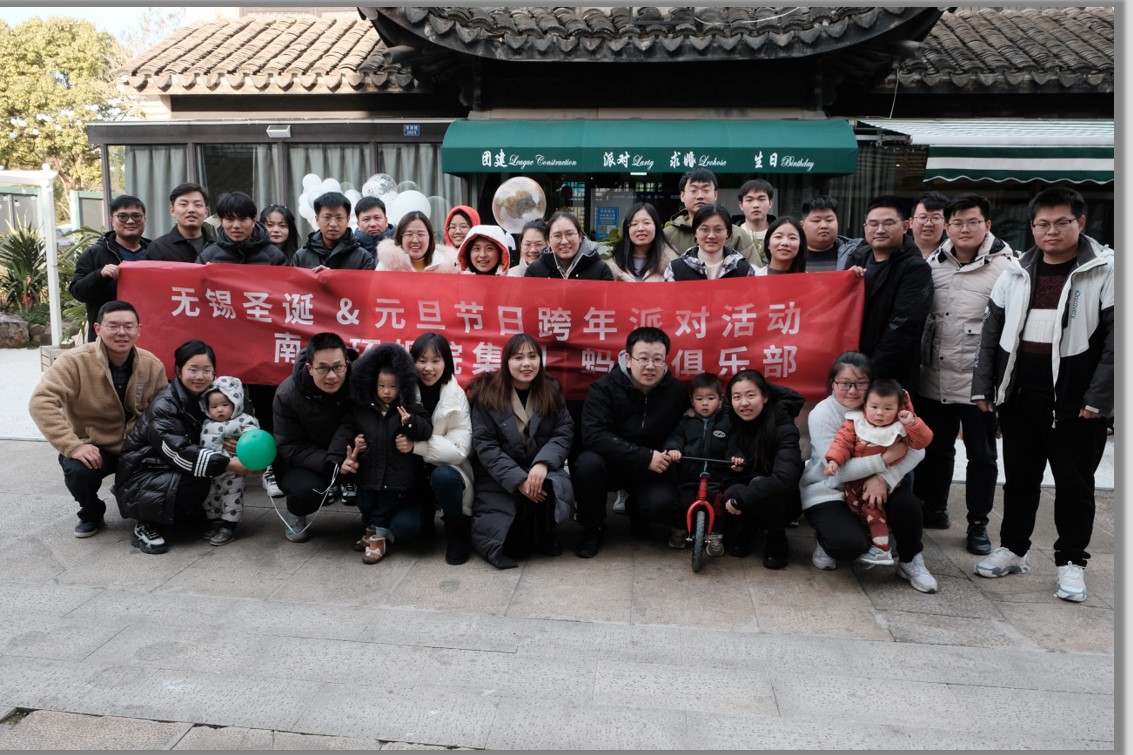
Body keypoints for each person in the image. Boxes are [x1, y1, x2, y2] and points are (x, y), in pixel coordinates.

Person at [971, 187, 1113, 604]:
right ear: (1032, 227)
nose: (1052, 231)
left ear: (1080, 223)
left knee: (1074, 486)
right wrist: (984, 386)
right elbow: (991, 333)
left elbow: (1117, 343)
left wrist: (1099, 398)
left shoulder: (1105, 270)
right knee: (1019, 481)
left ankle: (1072, 562)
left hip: (1076, 403)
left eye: (1062, 222)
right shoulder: (1016, 271)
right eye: (1042, 224)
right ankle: (1014, 550)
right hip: (1020, 397)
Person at [914, 194, 1015, 548]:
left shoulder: (1007, 268)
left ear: (987, 225)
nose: (964, 229)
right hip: (934, 376)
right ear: (947, 227)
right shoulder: (934, 263)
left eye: (973, 222)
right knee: (936, 447)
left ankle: (978, 523)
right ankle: (934, 508)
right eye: (956, 223)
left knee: (982, 456)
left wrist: (997, 382)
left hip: (979, 384)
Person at [799, 352, 938, 593]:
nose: (852, 391)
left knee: (909, 506)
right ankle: (827, 537)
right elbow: (838, 472)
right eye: (845, 383)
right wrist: (884, 460)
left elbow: (918, 450)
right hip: (830, 491)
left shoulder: (884, 406)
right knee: (848, 546)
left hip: (876, 488)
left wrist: (883, 478)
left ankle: (911, 561)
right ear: (833, 383)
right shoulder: (822, 413)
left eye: (861, 383)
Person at [29, 300, 167, 538]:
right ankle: (91, 511)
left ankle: (141, 508)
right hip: (95, 446)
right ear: (98, 329)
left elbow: (164, 410)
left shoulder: (152, 365)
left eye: (128, 326)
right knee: (77, 470)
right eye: (113, 325)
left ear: (138, 330)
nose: (122, 332)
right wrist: (73, 446)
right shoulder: (74, 361)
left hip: (137, 445)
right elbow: (41, 402)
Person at [115, 340, 253, 554]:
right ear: (178, 371)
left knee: (204, 478)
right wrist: (229, 464)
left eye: (207, 370)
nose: (200, 376)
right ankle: (146, 523)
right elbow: (178, 451)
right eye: (193, 369)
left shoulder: (214, 398)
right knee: (197, 483)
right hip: (143, 477)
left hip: (170, 469)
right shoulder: (165, 404)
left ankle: (184, 513)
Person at [573, 327, 689, 558]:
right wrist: (644, 456)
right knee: (587, 465)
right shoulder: (604, 388)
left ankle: (637, 511)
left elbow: (682, 429)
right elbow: (593, 435)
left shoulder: (676, 392)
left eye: (658, 359)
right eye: (643, 358)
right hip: (613, 463)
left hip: (652, 469)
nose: (650, 366)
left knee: (663, 504)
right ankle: (593, 528)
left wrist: (672, 447)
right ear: (628, 359)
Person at [467, 333, 574, 569]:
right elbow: (485, 445)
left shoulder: (550, 391)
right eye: (518, 358)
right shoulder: (487, 394)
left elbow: (563, 431)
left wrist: (543, 464)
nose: (526, 364)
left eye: (532, 356)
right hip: (499, 476)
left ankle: (544, 533)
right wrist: (518, 480)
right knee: (512, 547)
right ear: (506, 361)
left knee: (550, 486)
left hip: (540, 468)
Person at [332, 342, 433, 564]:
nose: (387, 391)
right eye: (382, 386)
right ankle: (370, 531)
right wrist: (343, 453)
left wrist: (410, 423)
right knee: (365, 503)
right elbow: (345, 431)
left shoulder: (408, 408)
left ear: (402, 385)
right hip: (369, 474)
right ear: (372, 384)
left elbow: (427, 429)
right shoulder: (361, 410)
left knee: (383, 509)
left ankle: (379, 539)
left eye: (392, 386)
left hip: (398, 478)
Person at [824, 379, 933, 566]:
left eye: (888, 408)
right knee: (855, 513)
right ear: (865, 405)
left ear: (899, 409)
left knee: (875, 511)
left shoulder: (900, 427)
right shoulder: (855, 422)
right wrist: (833, 460)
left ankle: (884, 549)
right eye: (874, 407)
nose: (880, 413)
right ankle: (852, 541)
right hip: (854, 484)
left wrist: (912, 423)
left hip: (886, 485)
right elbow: (842, 443)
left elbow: (922, 443)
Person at [271, 332, 358, 542]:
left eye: (338, 367)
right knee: (306, 492)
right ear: (310, 368)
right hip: (305, 460)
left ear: (346, 364)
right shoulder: (287, 394)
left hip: (349, 452)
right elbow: (290, 446)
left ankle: (377, 522)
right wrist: (332, 464)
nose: (332, 376)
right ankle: (296, 512)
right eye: (323, 368)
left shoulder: (360, 384)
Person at [842, 195, 934, 390]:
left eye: (888, 223)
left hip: (889, 379)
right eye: (873, 224)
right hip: (850, 370)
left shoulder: (915, 268)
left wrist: (868, 374)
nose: (880, 230)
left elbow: (902, 327)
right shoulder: (857, 258)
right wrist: (845, 283)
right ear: (865, 227)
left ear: (905, 226)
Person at [719, 370, 804, 568]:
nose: (744, 403)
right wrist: (733, 462)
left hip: (783, 502)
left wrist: (742, 499)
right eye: (737, 397)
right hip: (746, 488)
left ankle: (777, 537)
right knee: (731, 491)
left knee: (759, 485)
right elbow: (728, 450)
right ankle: (746, 530)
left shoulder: (784, 427)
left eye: (751, 395)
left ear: (765, 397)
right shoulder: (731, 421)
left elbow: (784, 479)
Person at [406, 332, 474, 565]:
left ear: (446, 362)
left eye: (435, 361)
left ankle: (457, 531)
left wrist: (416, 446)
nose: (428, 368)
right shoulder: (402, 391)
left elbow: (459, 450)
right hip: (412, 474)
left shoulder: (456, 396)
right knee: (408, 531)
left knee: (444, 476)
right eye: (422, 360)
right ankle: (423, 516)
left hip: (448, 471)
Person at [663, 372, 734, 554]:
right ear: (692, 400)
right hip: (689, 475)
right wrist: (674, 449)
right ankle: (679, 530)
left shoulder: (727, 422)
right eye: (699, 399)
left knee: (717, 504)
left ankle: (715, 536)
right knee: (683, 502)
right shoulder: (686, 421)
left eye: (710, 398)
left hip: (716, 476)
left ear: (720, 399)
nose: (704, 403)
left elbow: (734, 444)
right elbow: (675, 437)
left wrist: (736, 456)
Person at [69, 195, 150, 341]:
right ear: (112, 220)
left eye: (136, 216)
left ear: (145, 219)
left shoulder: (156, 252)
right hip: (109, 338)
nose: (130, 221)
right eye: (122, 216)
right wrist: (100, 275)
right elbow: (78, 291)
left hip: (151, 332)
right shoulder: (94, 253)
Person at [198, 375, 260, 546]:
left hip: (234, 471)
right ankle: (215, 521)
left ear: (235, 403)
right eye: (214, 406)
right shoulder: (206, 422)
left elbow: (254, 436)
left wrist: (244, 444)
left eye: (225, 405)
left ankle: (228, 526)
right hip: (211, 471)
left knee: (232, 497)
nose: (219, 410)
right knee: (211, 497)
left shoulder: (243, 420)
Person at [662, 168, 754, 258]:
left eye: (706, 190)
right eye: (693, 190)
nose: (700, 196)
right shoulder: (667, 236)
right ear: (682, 196)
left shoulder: (737, 235)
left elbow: (754, 267)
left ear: (715, 194)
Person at [663, 204, 757, 281]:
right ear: (695, 232)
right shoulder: (676, 269)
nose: (711, 236)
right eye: (705, 229)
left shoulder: (743, 269)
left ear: (727, 233)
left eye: (718, 230)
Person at [197, 191, 286, 265]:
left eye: (242, 219)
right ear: (221, 221)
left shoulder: (274, 256)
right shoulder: (209, 256)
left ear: (253, 221)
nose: (236, 225)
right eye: (230, 219)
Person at [291, 191, 373, 270]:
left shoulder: (362, 257)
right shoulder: (301, 257)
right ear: (317, 219)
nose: (333, 224)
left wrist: (332, 276)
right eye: (327, 217)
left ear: (348, 220)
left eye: (339, 218)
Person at [524, 211, 614, 280]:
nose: (564, 241)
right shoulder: (535, 271)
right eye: (557, 236)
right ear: (548, 241)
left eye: (570, 234)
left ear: (580, 236)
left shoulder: (601, 270)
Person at [606, 203, 679, 282]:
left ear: (656, 227)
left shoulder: (673, 265)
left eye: (646, 223)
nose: (640, 228)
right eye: (634, 224)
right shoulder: (612, 266)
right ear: (627, 230)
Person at [147, 183, 215, 264]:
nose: (191, 210)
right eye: (183, 204)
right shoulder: (157, 248)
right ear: (172, 210)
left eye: (197, 205)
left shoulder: (219, 247)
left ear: (206, 212)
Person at [376, 211, 459, 273]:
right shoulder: (387, 264)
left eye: (421, 234)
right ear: (401, 237)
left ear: (430, 237)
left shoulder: (448, 266)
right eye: (409, 234)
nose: (415, 240)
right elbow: (376, 290)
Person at [799, 194, 863, 272]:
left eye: (829, 220)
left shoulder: (857, 254)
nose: (824, 226)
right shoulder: (791, 254)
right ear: (802, 225)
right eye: (816, 220)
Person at [735, 179, 776, 266]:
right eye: (749, 200)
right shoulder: (732, 234)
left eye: (761, 199)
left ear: (770, 203)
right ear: (741, 205)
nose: (756, 205)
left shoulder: (779, 233)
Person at [908, 190, 949, 259]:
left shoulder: (955, 254)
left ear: (945, 224)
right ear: (911, 222)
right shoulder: (896, 253)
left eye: (936, 218)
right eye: (923, 217)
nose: (928, 224)